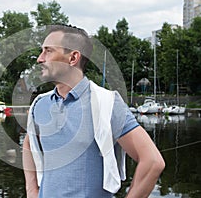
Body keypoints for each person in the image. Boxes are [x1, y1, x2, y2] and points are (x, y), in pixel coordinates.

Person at [22, 24, 165, 198]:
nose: (40, 58)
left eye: (48, 51)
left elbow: (152, 162)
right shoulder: (40, 104)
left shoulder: (107, 103)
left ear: (73, 57)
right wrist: (32, 191)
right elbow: (29, 144)